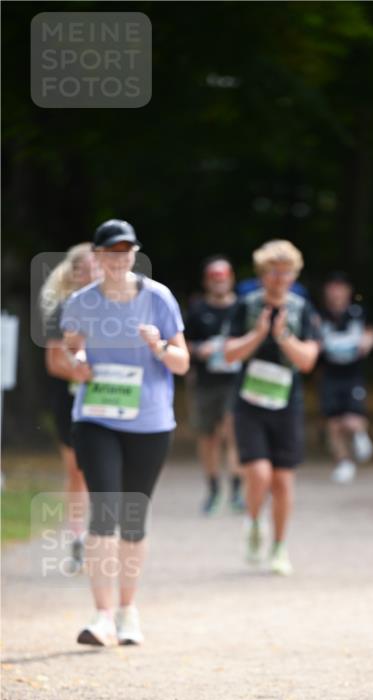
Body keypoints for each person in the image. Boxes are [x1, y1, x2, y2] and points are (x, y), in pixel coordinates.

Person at [60, 219, 189, 646]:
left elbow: (182, 363)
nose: (119, 259)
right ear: (97, 257)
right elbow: (71, 347)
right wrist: (78, 359)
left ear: (135, 254)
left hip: (150, 422)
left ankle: (128, 610)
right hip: (96, 418)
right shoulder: (81, 302)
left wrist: (159, 347)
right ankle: (101, 616)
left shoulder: (159, 299)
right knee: (106, 510)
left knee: (132, 517)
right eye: (111, 253)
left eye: (127, 252)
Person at [225, 240, 321, 575]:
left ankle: (279, 547)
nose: (280, 278)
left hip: (286, 402)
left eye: (287, 271)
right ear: (262, 274)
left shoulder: (301, 309)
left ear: (295, 274)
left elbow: (308, 360)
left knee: (282, 480)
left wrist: (282, 337)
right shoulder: (246, 305)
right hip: (249, 402)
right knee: (259, 473)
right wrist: (259, 333)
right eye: (273, 271)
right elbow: (229, 353)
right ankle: (253, 523)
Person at [39, 243, 101, 571]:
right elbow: (54, 361)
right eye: (90, 267)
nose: (96, 272)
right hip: (71, 399)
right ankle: (77, 538)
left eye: (100, 266)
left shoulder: (117, 307)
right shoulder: (61, 311)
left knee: (106, 470)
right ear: (76, 273)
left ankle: (103, 537)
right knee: (77, 472)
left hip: (109, 400)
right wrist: (84, 373)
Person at [185, 257, 244, 514]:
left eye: (223, 278)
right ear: (207, 281)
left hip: (236, 383)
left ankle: (237, 491)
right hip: (206, 383)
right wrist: (200, 350)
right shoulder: (197, 310)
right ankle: (213, 489)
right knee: (208, 438)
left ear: (231, 279)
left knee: (233, 434)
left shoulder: (243, 308)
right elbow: (181, 344)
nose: (219, 283)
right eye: (214, 278)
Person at [318, 272, 373, 483]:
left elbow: (372, 333)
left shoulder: (358, 312)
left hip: (353, 373)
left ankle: (359, 436)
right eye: (332, 287)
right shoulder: (320, 316)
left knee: (352, 419)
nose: (335, 292)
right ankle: (343, 462)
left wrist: (367, 343)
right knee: (334, 423)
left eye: (339, 287)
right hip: (329, 374)